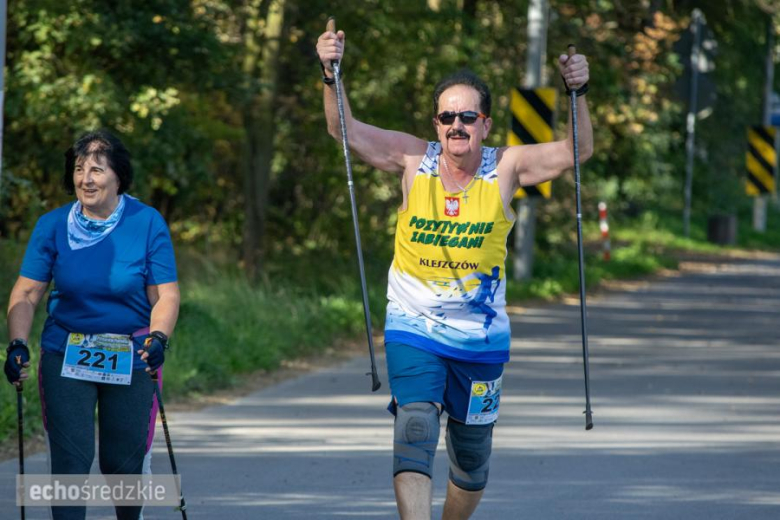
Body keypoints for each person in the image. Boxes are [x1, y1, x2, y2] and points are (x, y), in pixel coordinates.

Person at [317, 28, 592, 520]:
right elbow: (346, 131)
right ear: (436, 124)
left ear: (485, 125)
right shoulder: (411, 158)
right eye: (447, 117)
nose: (456, 125)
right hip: (413, 327)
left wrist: (579, 94)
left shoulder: (505, 167)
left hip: (480, 340)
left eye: (468, 116)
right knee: (415, 428)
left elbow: (577, 152)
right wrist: (329, 72)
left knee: (470, 460)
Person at [4, 130, 180, 520]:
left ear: (118, 177)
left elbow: (164, 296)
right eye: (79, 169)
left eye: (97, 170)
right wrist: (17, 343)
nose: (86, 179)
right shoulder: (51, 226)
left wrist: (159, 338)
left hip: (131, 354)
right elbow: (27, 294)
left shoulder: (147, 222)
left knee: (123, 464)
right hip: (66, 352)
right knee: (70, 461)